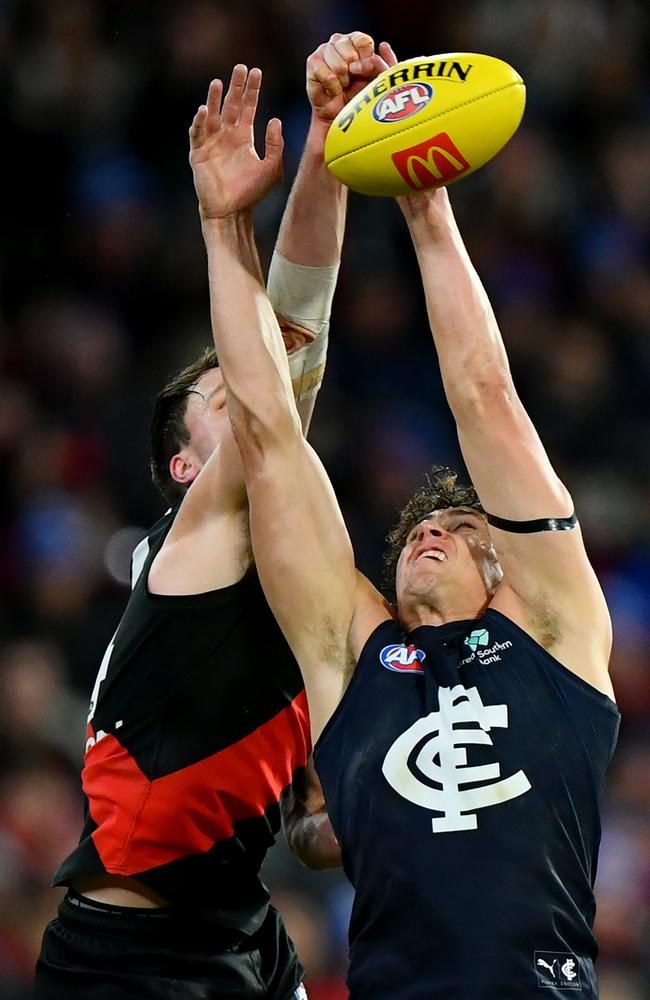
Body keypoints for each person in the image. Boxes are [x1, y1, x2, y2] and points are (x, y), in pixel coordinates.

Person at [189, 54, 620, 1000]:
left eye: (462, 526)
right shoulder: (350, 657)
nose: (431, 534)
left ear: (506, 565)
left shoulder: (555, 628)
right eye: (416, 533)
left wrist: (424, 201)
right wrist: (226, 228)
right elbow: (266, 436)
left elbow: (485, 396)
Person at [33, 30, 394, 1000]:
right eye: (219, 390)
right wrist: (253, 202)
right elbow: (290, 331)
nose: (247, 388)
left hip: (238, 930)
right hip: (130, 962)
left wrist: (327, 143)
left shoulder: (281, 575)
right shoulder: (204, 530)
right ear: (185, 465)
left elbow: (314, 840)